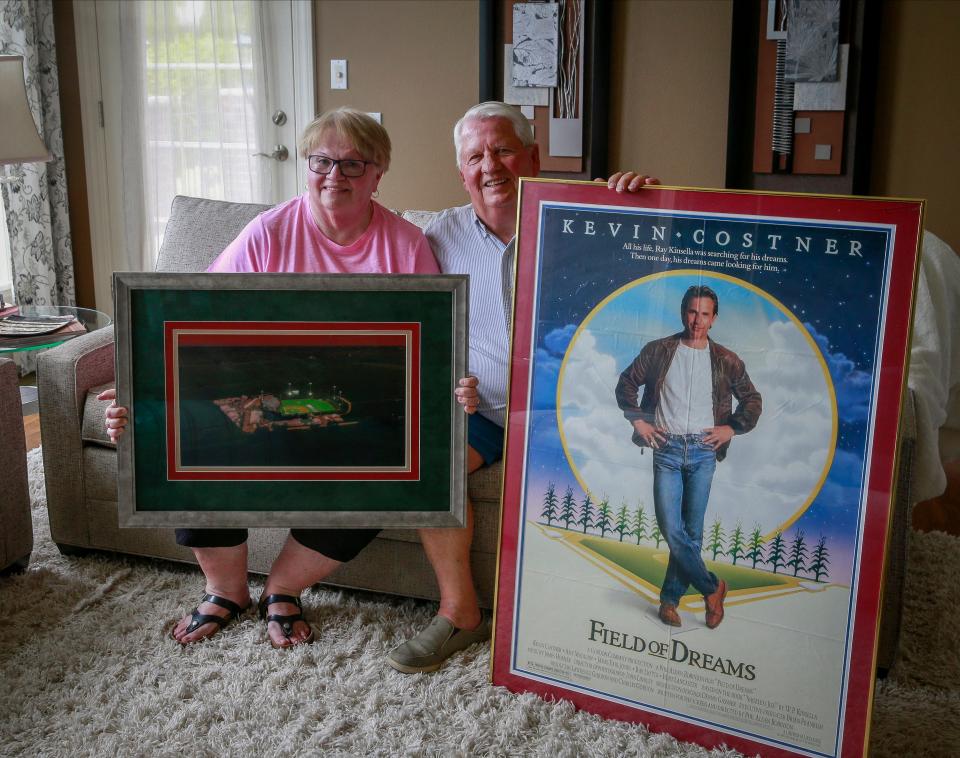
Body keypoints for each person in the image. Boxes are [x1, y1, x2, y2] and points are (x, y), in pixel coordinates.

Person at [102, 107, 480, 651]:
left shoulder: (404, 243)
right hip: (264, 395)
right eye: (322, 161)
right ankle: (226, 588)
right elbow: (194, 318)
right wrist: (143, 383)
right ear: (306, 167)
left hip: (356, 405)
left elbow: (433, 347)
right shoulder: (268, 232)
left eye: (354, 164)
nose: (335, 176)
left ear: (378, 174)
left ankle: (282, 587)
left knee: (398, 460)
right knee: (165, 426)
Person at [384, 101, 659, 674]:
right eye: (475, 156)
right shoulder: (435, 237)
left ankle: (618, 626)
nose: (491, 166)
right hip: (485, 409)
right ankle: (461, 614)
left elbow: (670, 269)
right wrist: (443, 376)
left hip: (577, 407)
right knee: (429, 466)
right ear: (461, 172)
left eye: (504, 149)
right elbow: (412, 324)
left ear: (533, 156)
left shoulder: (595, 221)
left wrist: (650, 206)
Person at [614, 285, 761, 629]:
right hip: (665, 448)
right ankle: (713, 587)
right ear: (683, 313)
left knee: (691, 532)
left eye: (705, 314)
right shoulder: (658, 350)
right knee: (671, 526)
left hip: (703, 451)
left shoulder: (726, 359)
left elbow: (752, 399)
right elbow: (626, 383)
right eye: (692, 312)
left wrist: (732, 428)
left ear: (714, 318)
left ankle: (669, 600)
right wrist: (639, 420)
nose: (698, 320)